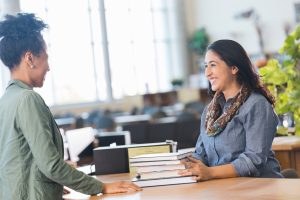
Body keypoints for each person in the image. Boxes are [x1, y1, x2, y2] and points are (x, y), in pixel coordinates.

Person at [0, 13, 141, 200]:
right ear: (30, 59)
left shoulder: (7, 100)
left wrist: (51, 183)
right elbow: (51, 166)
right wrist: (100, 187)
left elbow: (17, 159)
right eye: (46, 58)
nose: (48, 67)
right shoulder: (28, 100)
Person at [179, 39, 283, 181]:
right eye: (205, 66)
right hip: (223, 189)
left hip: (259, 188)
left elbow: (253, 160)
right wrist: (179, 166)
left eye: (213, 65)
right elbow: (200, 155)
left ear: (234, 68)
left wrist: (210, 173)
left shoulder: (256, 105)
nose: (207, 73)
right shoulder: (210, 111)